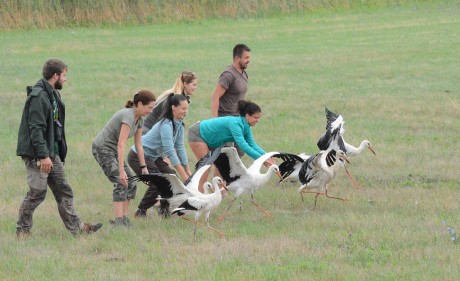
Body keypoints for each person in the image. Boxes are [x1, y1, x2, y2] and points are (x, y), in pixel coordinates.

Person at [16, 58, 102, 238]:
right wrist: (43, 156)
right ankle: (22, 230)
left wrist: (54, 153)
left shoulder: (53, 94)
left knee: (64, 190)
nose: (65, 79)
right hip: (38, 154)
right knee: (37, 192)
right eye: (64, 75)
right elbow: (36, 128)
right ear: (55, 75)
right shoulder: (39, 96)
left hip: (51, 151)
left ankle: (77, 229)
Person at [92, 90, 156, 227]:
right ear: (139, 104)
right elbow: (121, 144)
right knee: (121, 182)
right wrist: (121, 171)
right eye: (149, 107)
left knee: (131, 182)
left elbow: (139, 145)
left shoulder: (140, 119)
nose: (150, 111)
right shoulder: (128, 117)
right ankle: (118, 221)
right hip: (102, 148)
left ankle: (124, 219)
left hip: (113, 150)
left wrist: (144, 168)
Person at [128, 93, 192, 218]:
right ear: (173, 107)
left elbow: (179, 147)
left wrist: (187, 170)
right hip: (137, 156)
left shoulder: (179, 124)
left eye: (187, 109)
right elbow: (169, 151)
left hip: (153, 156)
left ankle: (164, 209)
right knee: (159, 181)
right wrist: (183, 175)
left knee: (171, 177)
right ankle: (141, 211)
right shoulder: (166, 124)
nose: (186, 112)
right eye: (183, 109)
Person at [188, 100, 276, 190]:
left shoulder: (246, 126)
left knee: (223, 165)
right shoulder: (236, 123)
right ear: (247, 116)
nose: (258, 120)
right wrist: (261, 159)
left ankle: (220, 192)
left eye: (259, 118)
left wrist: (266, 156)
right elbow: (243, 145)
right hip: (198, 134)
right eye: (256, 118)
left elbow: (252, 144)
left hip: (212, 139)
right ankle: (198, 193)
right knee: (206, 166)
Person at [211, 44, 251, 118]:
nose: (249, 60)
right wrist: (215, 121)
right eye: (246, 58)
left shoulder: (244, 73)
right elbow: (215, 96)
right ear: (237, 58)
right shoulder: (228, 75)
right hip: (225, 119)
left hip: (237, 118)